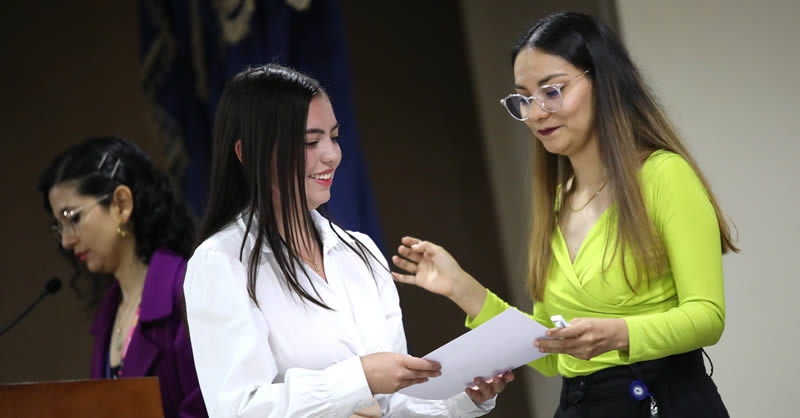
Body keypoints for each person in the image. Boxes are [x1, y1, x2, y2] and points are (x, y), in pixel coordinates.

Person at [391, 12, 736, 418]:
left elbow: (708, 317)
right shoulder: (558, 200)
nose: (535, 113)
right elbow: (551, 355)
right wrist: (460, 287)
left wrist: (618, 334)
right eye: (523, 98)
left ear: (604, 82)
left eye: (552, 91)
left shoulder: (663, 175)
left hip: (659, 399)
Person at [182, 64, 512, 417]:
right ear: (248, 154)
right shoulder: (222, 261)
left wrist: (464, 400)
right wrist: (361, 378)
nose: (332, 155)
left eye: (334, 137)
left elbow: (394, 406)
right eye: (310, 141)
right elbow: (239, 409)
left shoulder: (360, 251)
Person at [38, 136, 208, 418]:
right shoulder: (110, 312)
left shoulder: (186, 289)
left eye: (72, 218)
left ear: (121, 204)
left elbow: (209, 407)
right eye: (59, 227)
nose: (66, 241)